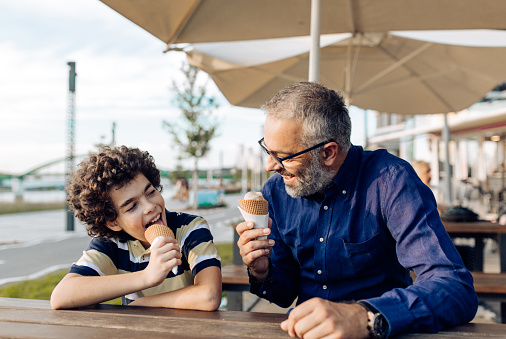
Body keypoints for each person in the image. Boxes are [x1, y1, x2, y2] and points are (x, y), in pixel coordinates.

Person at [236, 82, 477, 338]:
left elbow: (454, 287)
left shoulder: (391, 181)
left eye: (283, 156)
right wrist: (262, 271)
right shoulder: (276, 191)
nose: (269, 166)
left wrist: (365, 316)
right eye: (267, 149)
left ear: (328, 153)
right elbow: (284, 294)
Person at [51, 146, 222, 311]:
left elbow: (209, 296)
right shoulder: (113, 244)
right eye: (132, 206)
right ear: (113, 223)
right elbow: (62, 295)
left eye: (150, 192)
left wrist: (143, 303)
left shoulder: (190, 229)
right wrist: (147, 276)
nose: (150, 207)